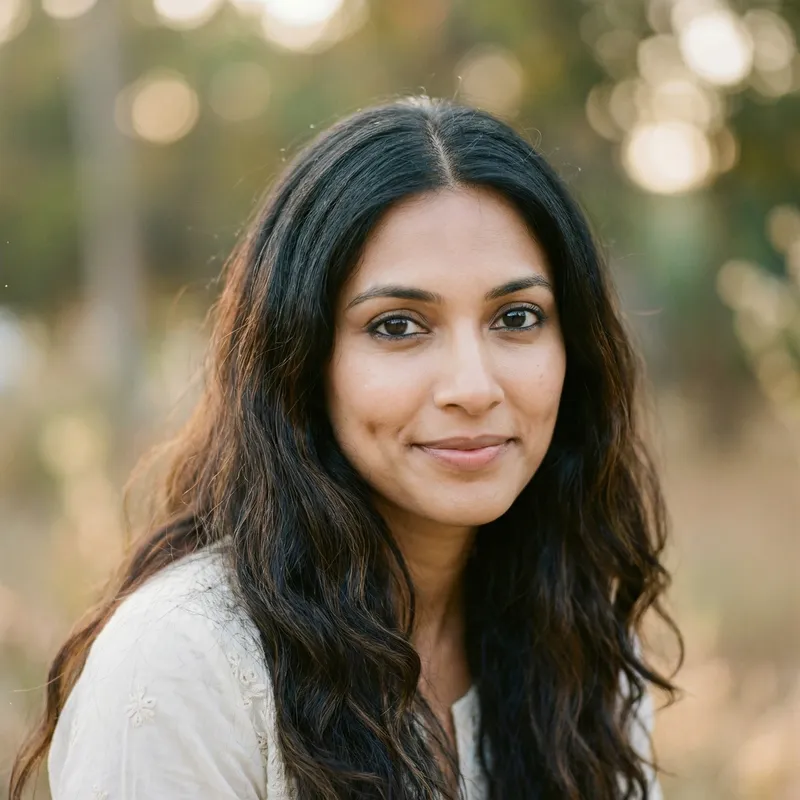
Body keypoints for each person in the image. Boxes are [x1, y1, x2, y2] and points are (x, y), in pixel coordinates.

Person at [10, 97, 681, 800]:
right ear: (300, 358)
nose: (473, 387)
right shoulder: (186, 666)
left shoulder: (581, 641)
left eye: (516, 318)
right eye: (398, 326)